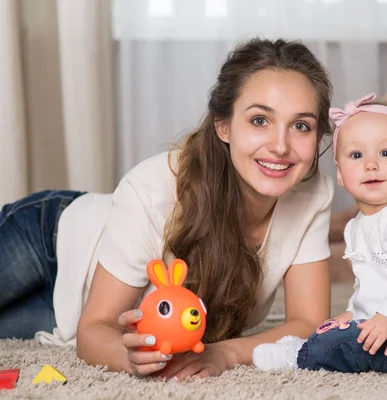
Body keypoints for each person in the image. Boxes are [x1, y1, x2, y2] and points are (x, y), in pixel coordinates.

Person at [0, 38, 336, 380]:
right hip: (47, 238)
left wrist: (225, 352)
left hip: (63, 311)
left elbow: (308, 323)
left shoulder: (312, 193)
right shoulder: (151, 189)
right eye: (260, 120)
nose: (280, 146)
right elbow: (95, 327)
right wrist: (128, 359)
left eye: (300, 126)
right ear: (223, 125)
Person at [252, 93, 387, 373]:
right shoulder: (358, 225)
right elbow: (371, 284)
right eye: (357, 155)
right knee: (334, 330)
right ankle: (317, 344)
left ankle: (299, 357)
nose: (371, 164)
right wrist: (353, 314)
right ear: (341, 174)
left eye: (385, 153)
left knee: (345, 345)